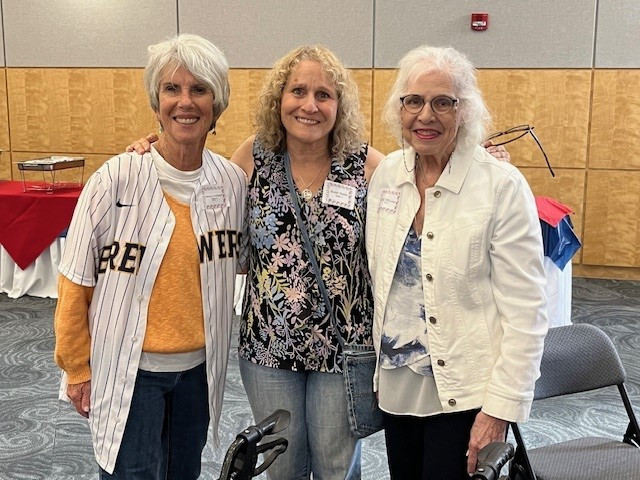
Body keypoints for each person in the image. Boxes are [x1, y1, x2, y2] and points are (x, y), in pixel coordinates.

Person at [126, 45, 513, 480]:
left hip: (344, 349)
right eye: (298, 91)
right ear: (279, 99)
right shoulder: (253, 157)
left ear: (339, 105)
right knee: (282, 467)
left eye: (323, 95)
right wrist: (153, 149)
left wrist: (475, 160)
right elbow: (197, 191)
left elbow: (425, 185)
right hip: (268, 348)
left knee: (336, 468)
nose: (309, 105)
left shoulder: (368, 165)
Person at [54, 34, 247, 479]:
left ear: (217, 104)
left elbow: (246, 259)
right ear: (156, 102)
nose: (185, 101)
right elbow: (75, 281)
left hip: (197, 373)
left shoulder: (232, 183)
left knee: (184, 472)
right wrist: (77, 368)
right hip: (131, 371)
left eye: (200, 89)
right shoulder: (115, 179)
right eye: (171, 89)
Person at [365, 44, 548, 480]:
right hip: (397, 384)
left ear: (464, 110)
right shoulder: (388, 174)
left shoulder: (500, 185)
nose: (425, 115)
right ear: (399, 109)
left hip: (466, 392)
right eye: (414, 101)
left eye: (443, 102)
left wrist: (499, 409)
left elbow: (527, 311)